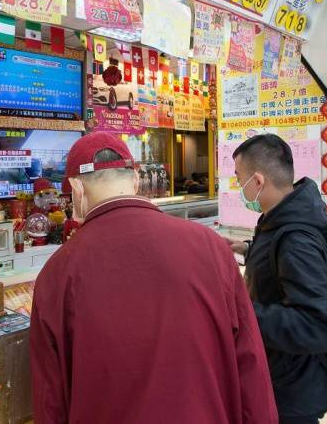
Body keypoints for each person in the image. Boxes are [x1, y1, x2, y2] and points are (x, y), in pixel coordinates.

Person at [30, 132, 277, 423]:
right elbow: (250, 363)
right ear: (136, 181)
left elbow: (51, 401)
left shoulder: (57, 274)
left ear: (77, 189)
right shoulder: (210, 246)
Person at [224, 134, 327, 424]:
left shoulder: (295, 239)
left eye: (240, 180)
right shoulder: (281, 219)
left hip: (292, 392)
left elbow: (320, 327)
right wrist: (250, 251)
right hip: (284, 378)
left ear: (258, 181)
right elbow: (283, 274)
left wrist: (242, 313)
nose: (240, 188)